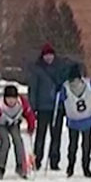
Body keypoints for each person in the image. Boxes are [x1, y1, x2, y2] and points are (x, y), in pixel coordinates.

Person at [58, 65, 91, 178]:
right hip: (87, 119)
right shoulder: (89, 84)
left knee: (72, 145)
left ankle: (70, 167)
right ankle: (86, 167)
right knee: (86, 145)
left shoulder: (65, 87)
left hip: (73, 120)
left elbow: (58, 99)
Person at [28, 42, 69, 171]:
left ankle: (54, 160)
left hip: (57, 107)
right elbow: (33, 88)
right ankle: (37, 160)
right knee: (41, 135)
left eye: (50, 55)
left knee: (56, 135)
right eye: (46, 56)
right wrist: (32, 106)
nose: (49, 58)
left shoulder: (60, 68)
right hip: (42, 107)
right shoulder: (38, 69)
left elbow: (65, 85)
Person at [0, 85, 36, 180]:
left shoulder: (22, 102)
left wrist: (31, 126)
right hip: (0, 124)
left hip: (13, 123)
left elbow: (29, 114)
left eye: (13, 98)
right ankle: (1, 168)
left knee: (18, 141)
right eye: (9, 98)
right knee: (5, 143)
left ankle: (20, 166)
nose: (11, 101)